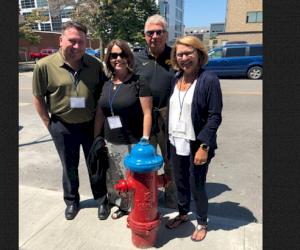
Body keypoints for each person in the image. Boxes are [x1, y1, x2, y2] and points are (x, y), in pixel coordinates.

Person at [32, 21, 110, 221]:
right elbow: (38, 97)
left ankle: (102, 200)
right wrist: (49, 125)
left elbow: (102, 94)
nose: (76, 46)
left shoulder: (94, 65)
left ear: (86, 43)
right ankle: (71, 201)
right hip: (62, 125)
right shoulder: (44, 66)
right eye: (72, 41)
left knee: (96, 164)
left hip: (91, 125)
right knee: (69, 166)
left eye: (81, 42)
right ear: (61, 40)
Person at [165, 36, 223, 242]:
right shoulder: (175, 78)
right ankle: (182, 214)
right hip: (175, 140)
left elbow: (215, 116)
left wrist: (204, 145)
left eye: (189, 53)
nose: (184, 58)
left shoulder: (209, 80)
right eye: (179, 54)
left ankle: (202, 221)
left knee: (196, 184)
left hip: (196, 143)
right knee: (180, 181)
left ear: (199, 54)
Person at [95, 39, 152, 219]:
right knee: (113, 174)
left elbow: (148, 113)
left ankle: (128, 207)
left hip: (131, 140)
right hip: (109, 139)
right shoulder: (106, 83)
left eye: (122, 54)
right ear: (108, 58)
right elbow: (100, 113)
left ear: (128, 57)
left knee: (128, 177)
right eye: (114, 55)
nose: (118, 58)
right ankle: (117, 201)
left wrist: (145, 138)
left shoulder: (138, 82)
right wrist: (97, 136)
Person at [134, 14, 177, 208]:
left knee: (170, 160)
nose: (154, 36)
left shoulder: (176, 56)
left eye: (159, 32)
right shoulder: (136, 59)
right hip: (145, 119)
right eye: (150, 33)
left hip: (170, 117)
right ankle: (148, 195)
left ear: (166, 34)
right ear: (145, 36)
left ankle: (171, 197)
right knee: (146, 161)